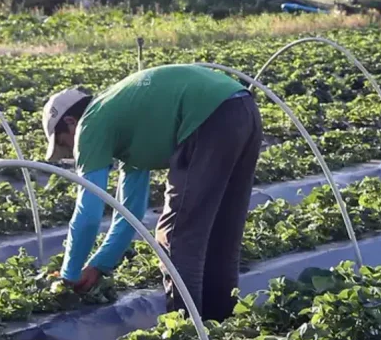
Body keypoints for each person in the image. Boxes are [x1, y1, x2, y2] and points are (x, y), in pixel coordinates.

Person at [42, 64, 262, 322]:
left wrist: (69, 274)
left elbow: (89, 211)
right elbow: (130, 213)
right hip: (243, 108)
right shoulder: (123, 120)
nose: (71, 152)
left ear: (71, 123)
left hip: (208, 117)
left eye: (64, 144)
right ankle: (219, 325)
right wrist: (99, 264)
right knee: (222, 230)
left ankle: (187, 333)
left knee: (177, 235)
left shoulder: (91, 124)